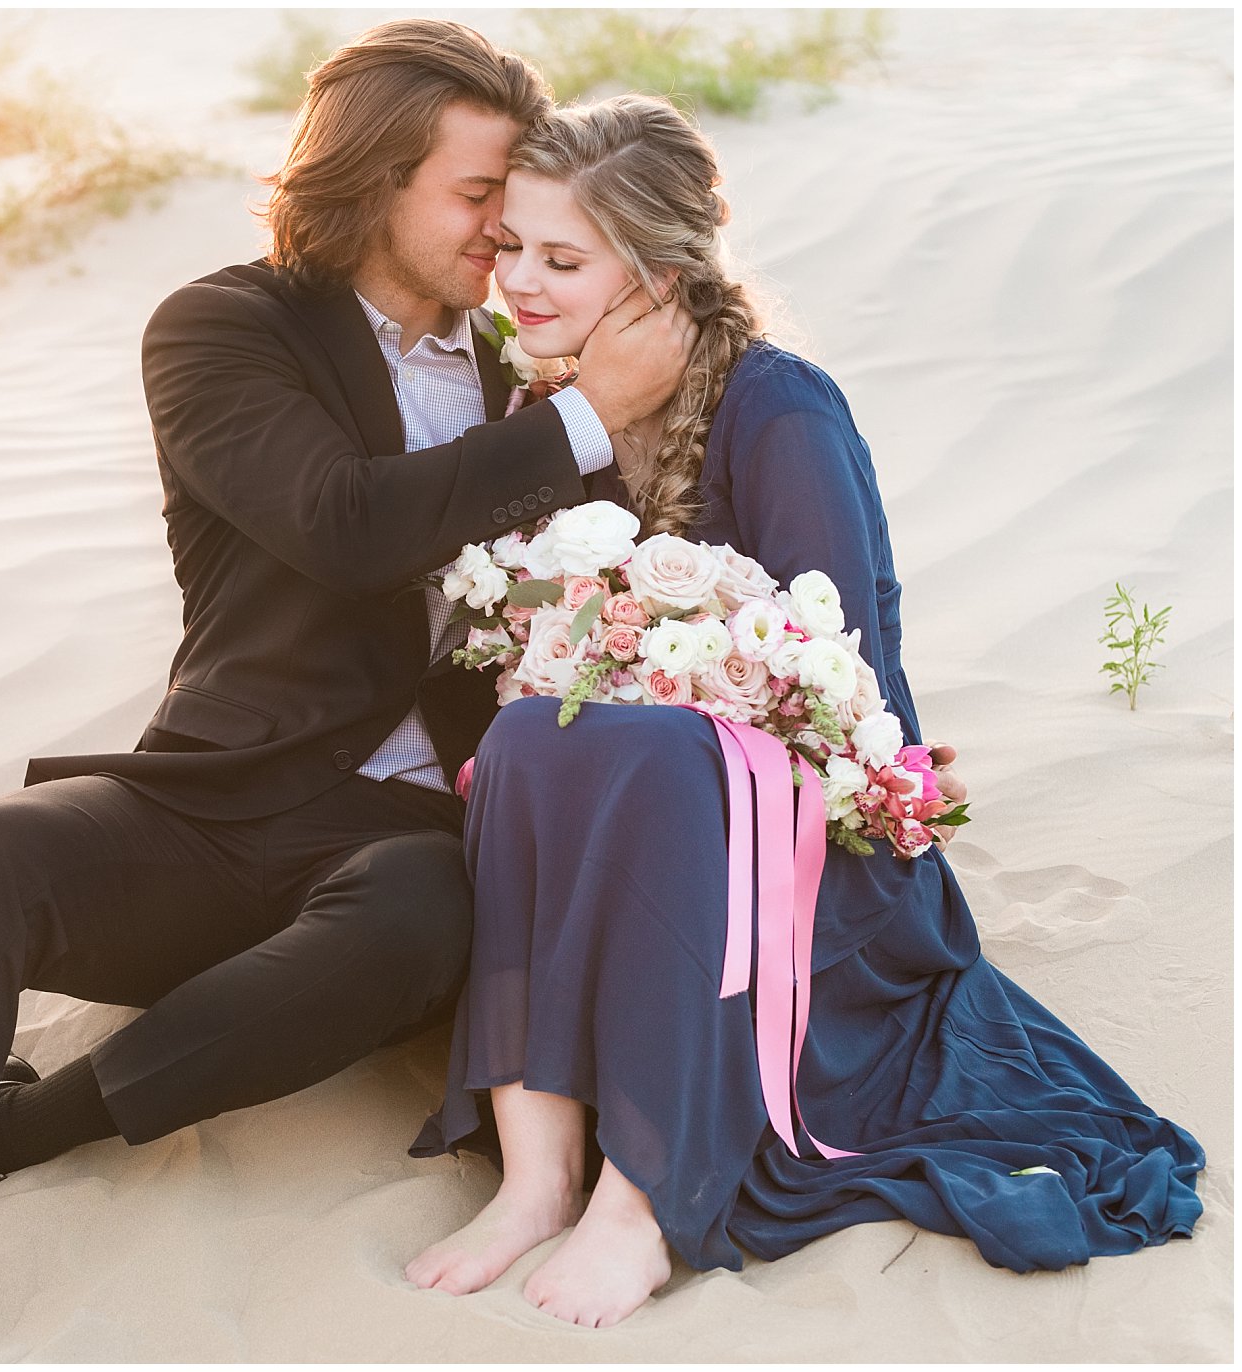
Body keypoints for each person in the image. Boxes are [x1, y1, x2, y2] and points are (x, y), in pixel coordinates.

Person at [0, 22, 703, 1364]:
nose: (501, 234)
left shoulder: (518, 358)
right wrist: (582, 422)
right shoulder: (226, 329)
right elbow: (343, 525)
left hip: (406, 838)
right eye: (475, 197)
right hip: (219, 801)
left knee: (421, 911)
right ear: (371, 182)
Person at [402, 94, 1204, 1329]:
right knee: (523, 731)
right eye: (508, 245)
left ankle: (642, 1196)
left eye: (559, 259)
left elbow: (844, 699)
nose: (516, 281)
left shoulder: (777, 408)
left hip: (816, 860)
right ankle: (535, 1171)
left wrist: (671, 679)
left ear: (659, 275)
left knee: (659, 746)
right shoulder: (546, 411)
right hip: (642, 839)